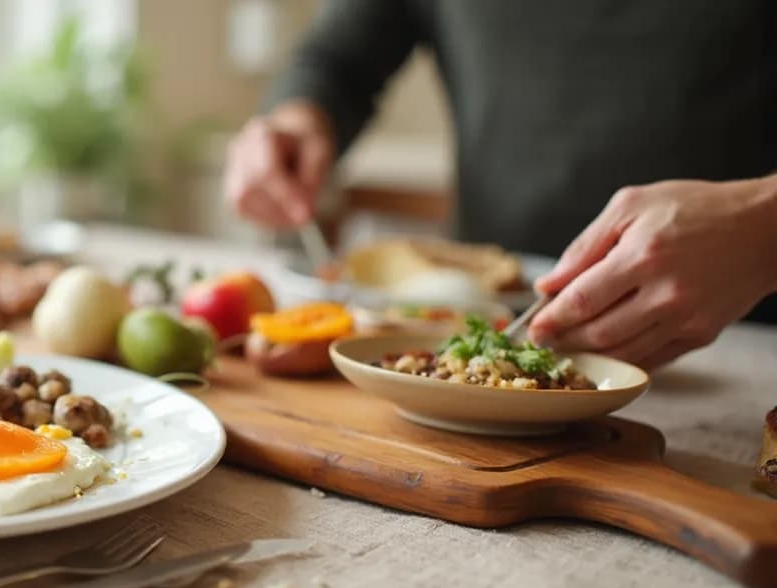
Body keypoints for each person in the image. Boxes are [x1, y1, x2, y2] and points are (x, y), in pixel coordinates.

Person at [223, 1, 777, 370]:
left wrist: (762, 224)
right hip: (494, 336)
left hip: (748, 353)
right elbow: (339, 56)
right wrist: (296, 120)